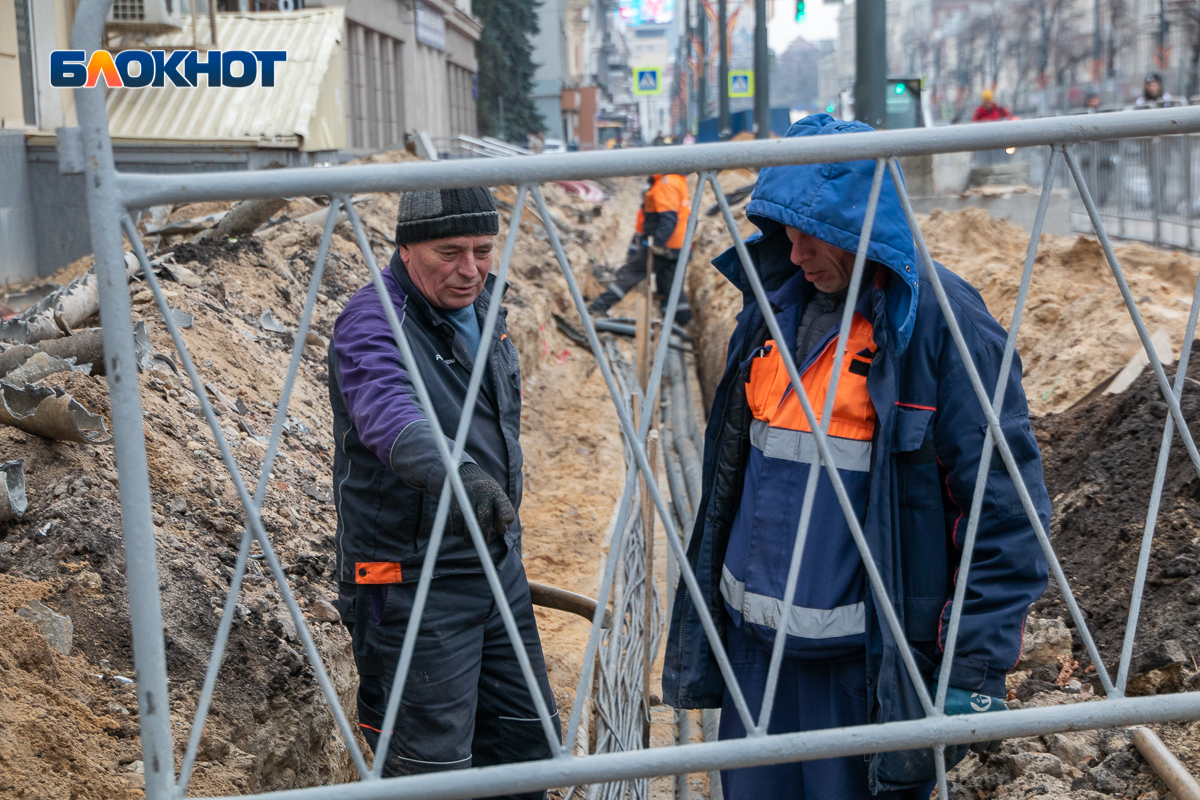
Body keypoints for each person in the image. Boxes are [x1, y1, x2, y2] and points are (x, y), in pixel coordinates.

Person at [662, 114, 1050, 799]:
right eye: (786, 228)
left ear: (861, 229)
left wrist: (973, 671)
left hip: (862, 673)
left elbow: (1004, 510)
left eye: (816, 233)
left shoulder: (940, 326)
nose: (797, 249)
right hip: (757, 665)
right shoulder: (770, 310)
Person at [329, 187, 560, 793]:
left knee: (527, 742)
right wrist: (457, 472)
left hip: (494, 563)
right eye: (450, 252)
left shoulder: (484, 307)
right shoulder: (374, 320)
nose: (471, 269)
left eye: (483, 250)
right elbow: (389, 411)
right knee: (432, 771)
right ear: (405, 249)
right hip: (410, 582)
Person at [588, 174, 692, 324]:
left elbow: (669, 219)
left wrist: (658, 244)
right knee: (670, 286)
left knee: (629, 273)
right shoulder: (675, 181)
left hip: (665, 247)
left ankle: (598, 307)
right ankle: (683, 322)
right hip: (678, 246)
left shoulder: (666, 183)